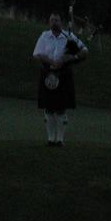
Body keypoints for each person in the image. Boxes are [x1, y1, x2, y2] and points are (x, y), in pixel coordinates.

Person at [32, 12, 88, 146]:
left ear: (61, 22)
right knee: (49, 108)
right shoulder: (44, 36)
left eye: (56, 20)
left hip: (63, 74)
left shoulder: (68, 36)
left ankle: (60, 140)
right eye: (51, 20)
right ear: (49, 22)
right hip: (47, 72)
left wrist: (71, 58)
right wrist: (51, 61)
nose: (53, 23)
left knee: (61, 108)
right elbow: (37, 54)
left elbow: (85, 50)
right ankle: (51, 139)